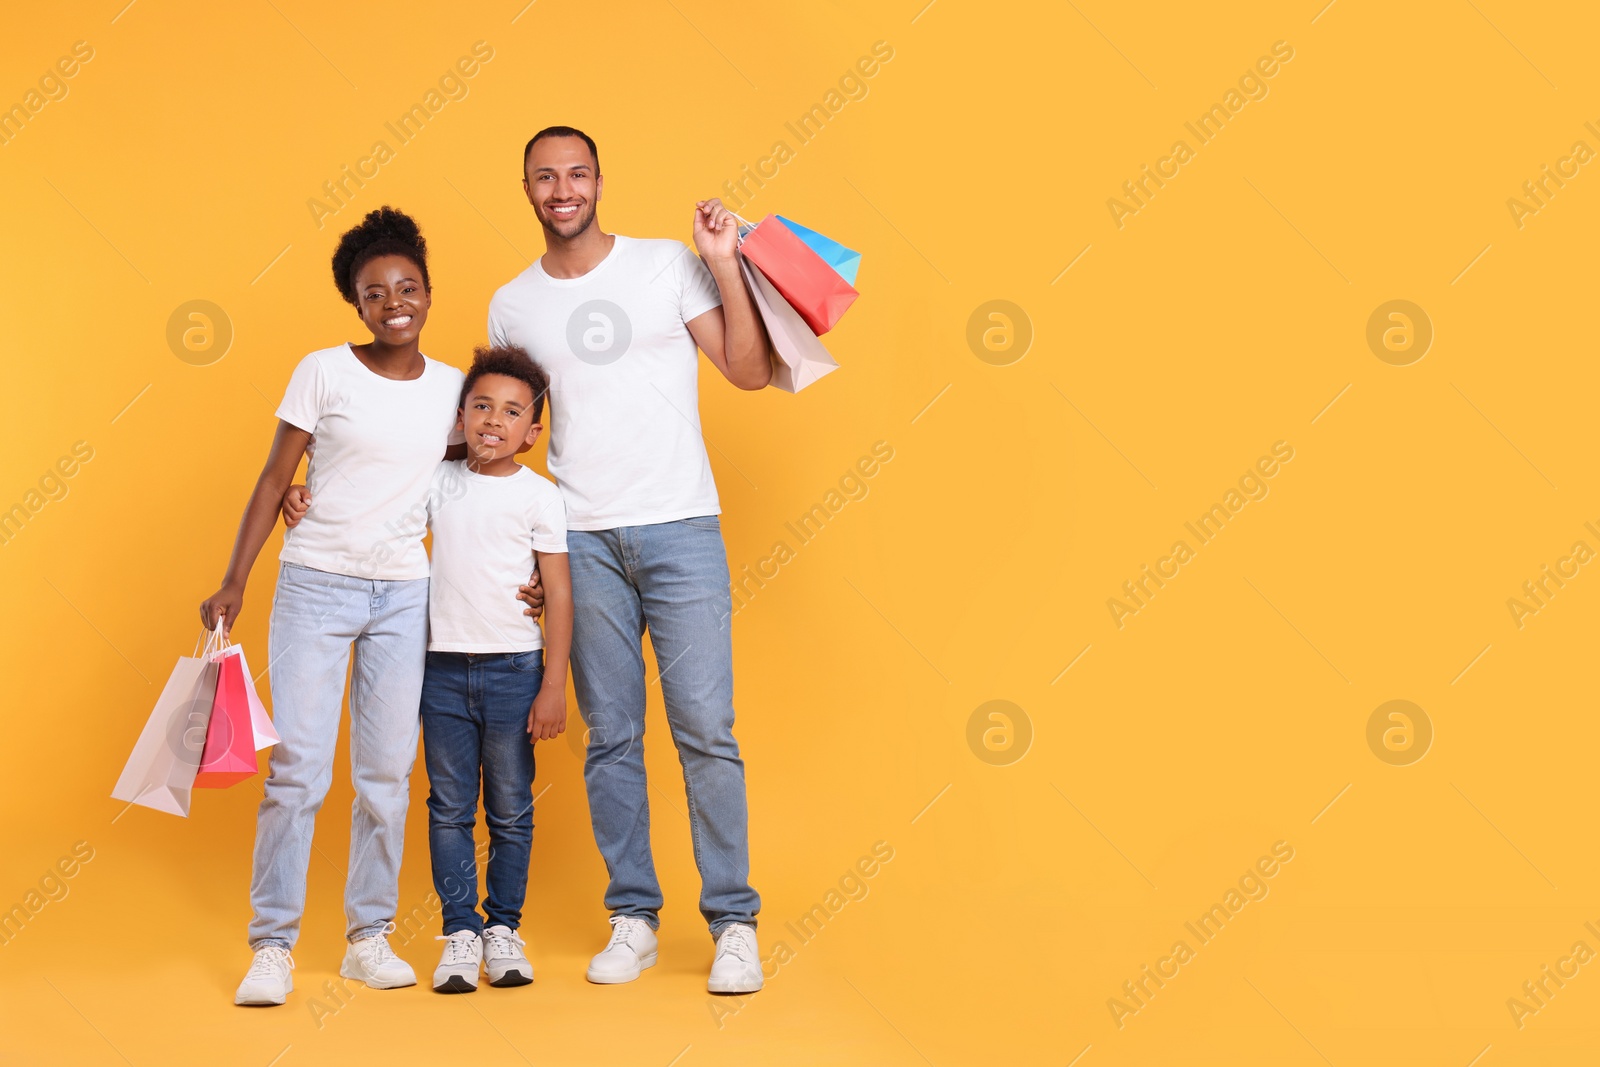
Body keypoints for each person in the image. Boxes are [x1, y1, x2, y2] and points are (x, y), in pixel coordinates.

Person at [489, 125, 773, 994]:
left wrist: (723, 261)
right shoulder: (512, 303)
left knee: (705, 730)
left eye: (577, 173)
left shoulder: (665, 265)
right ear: (528, 190)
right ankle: (634, 917)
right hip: (580, 538)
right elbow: (502, 429)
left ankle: (732, 923)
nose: (563, 188)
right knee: (611, 736)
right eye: (546, 176)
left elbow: (749, 371)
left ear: (600, 181)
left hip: (682, 524)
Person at [201, 207, 467, 1007]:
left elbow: (467, 487)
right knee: (299, 772)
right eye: (375, 290)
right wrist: (235, 579)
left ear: (428, 291)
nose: (395, 301)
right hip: (315, 582)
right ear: (356, 303)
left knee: (386, 774)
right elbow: (274, 478)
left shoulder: (455, 387)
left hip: (403, 594)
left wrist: (522, 574)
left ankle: (367, 937)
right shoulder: (323, 369)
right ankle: (273, 943)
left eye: (408, 286)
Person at [420, 345, 572, 993]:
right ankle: (459, 930)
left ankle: (502, 927)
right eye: (481, 405)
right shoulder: (436, 479)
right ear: (460, 415)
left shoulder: (541, 495)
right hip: (441, 670)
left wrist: (554, 683)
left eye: (512, 412)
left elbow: (559, 591)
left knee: (510, 808)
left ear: (533, 433)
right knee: (450, 806)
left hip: (516, 668)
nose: (493, 420)